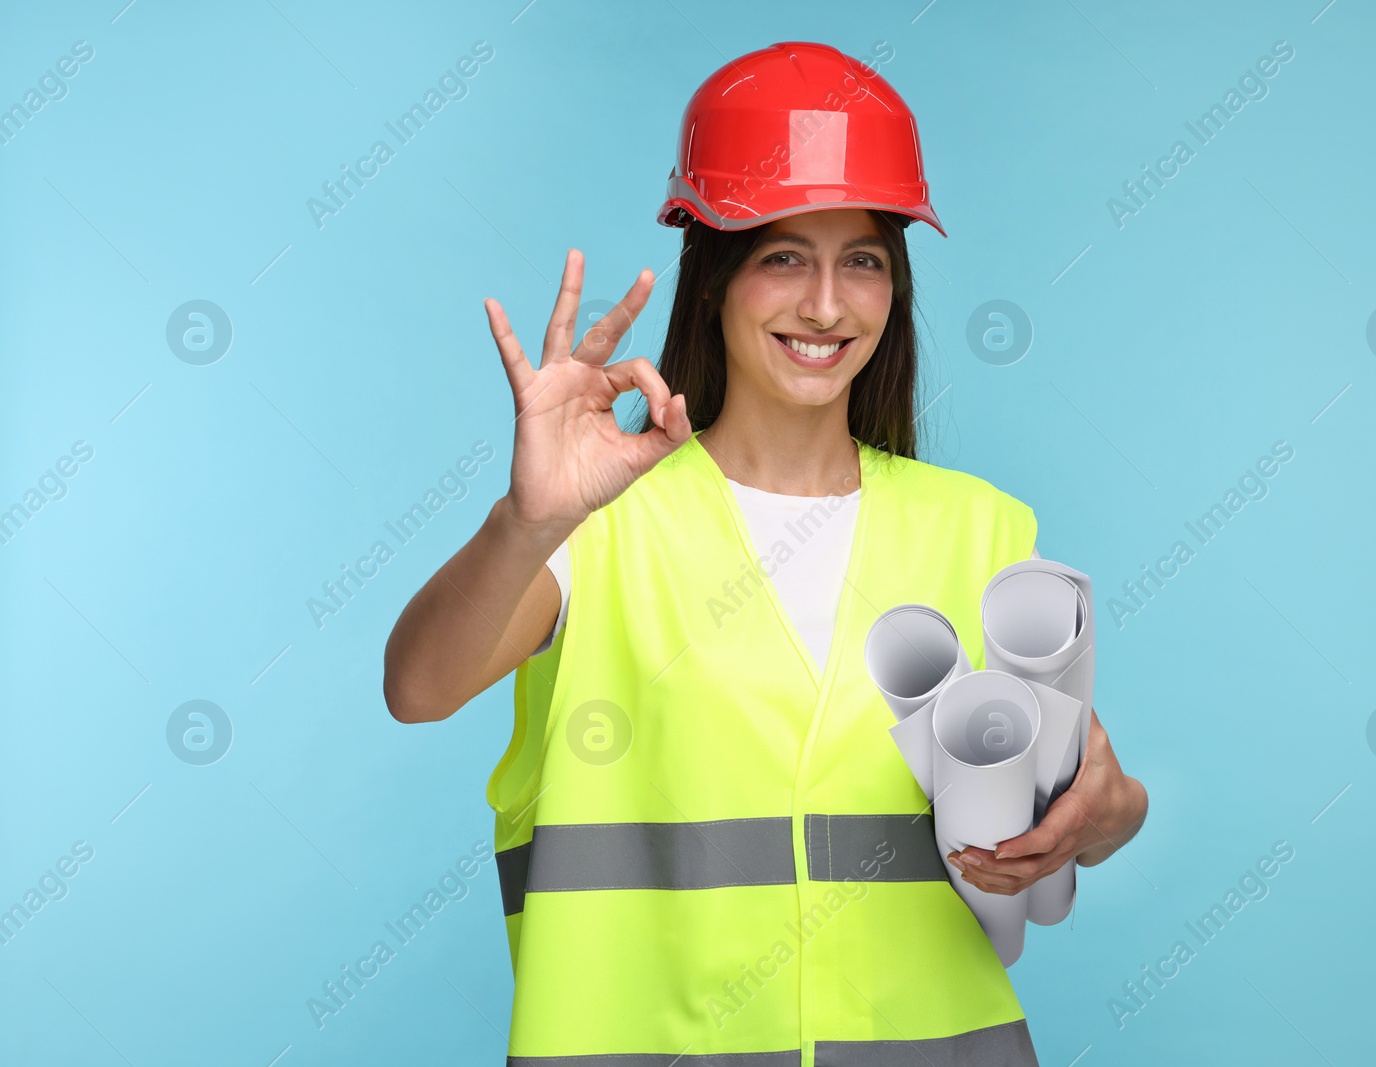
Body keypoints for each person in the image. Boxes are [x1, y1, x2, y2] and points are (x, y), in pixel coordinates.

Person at [383, 40, 1147, 1066]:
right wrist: (526, 520)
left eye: (863, 259)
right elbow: (418, 687)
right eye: (784, 254)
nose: (825, 305)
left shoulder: (979, 530)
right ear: (714, 280)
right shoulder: (606, 524)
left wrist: (1110, 809)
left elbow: (1085, 797)